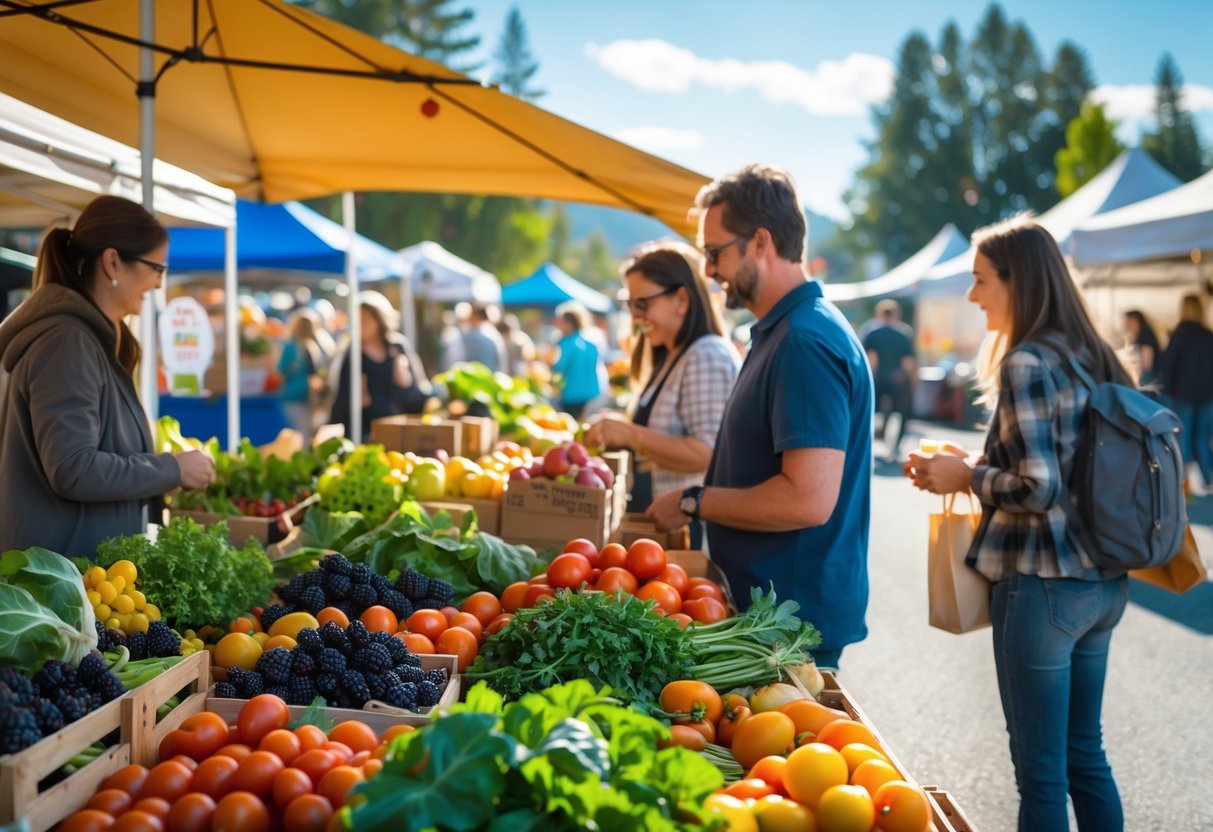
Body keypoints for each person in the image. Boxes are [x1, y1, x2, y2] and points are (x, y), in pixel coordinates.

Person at [905, 216, 1133, 832]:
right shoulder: (1095, 355)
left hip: (1043, 583)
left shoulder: (1027, 362)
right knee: (1086, 757)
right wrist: (973, 463)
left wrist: (965, 479)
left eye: (981, 281)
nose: (973, 296)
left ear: (1019, 281)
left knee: (1041, 778)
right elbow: (1066, 465)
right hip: (1104, 580)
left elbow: (1038, 486)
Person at [645, 164, 873, 670]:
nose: (708, 270)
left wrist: (694, 501)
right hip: (769, 617)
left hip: (788, 628)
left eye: (715, 252)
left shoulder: (805, 342)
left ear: (760, 242)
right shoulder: (784, 331)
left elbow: (808, 499)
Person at [0, 195, 214, 556]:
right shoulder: (67, 343)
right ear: (113, 262)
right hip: (66, 580)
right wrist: (171, 469)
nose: (160, 284)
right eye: (157, 268)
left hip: (87, 575)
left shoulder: (87, 339)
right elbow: (73, 467)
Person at [584, 241, 740, 548]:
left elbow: (706, 452)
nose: (636, 316)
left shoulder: (705, 355)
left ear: (681, 299)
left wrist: (631, 435)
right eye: (631, 305)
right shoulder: (671, 354)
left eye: (643, 303)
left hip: (688, 530)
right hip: (663, 528)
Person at [329, 290, 431, 439]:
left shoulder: (396, 346)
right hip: (363, 427)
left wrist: (404, 377)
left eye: (366, 319)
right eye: (358, 319)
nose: (362, 324)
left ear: (379, 320)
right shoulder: (353, 352)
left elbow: (416, 389)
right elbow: (341, 395)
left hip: (395, 423)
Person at [1157, 294, 1213, 494]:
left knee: (1184, 440)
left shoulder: (1180, 334)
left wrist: (1168, 390)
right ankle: (1208, 480)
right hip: (1208, 395)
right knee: (1203, 439)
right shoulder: (1208, 335)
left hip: (1184, 395)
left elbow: (1168, 365)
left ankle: (1184, 485)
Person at [862, 298, 917, 460]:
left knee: (872, 411)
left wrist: (869, 380)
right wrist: (913, 380)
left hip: (879, 379)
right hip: (897, 380)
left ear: (879, 314)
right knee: (901, 413)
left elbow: (871, 359)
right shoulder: (903, 335)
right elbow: (908, 363)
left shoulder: (872, 334)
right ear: (897, 315)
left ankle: (868, 443)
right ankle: (895, 447)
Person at [278, 308, 334, 446]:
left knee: (295, 436)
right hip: (306, 397)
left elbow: (281, 370)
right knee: (303, 435)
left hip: (294, 396)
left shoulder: (291, 346)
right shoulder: (316, 346)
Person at [549, 301, 604, 419]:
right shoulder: (591, 344)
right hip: (592, 393)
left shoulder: (566, 344)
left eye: (560, 321)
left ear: (569, 323)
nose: (556, 324)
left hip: (572, 395)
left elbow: (559, 367)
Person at [460, 302, 508, 371]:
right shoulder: (494, 333)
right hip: (491, 376)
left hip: (478, 377)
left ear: (475, 316)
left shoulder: (474, 334)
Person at [1122, 309, 1160, 387]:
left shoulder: (1146, 337)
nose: (1125, 324)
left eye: (1127, 320)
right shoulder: (1142, 335)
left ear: (1135, 321)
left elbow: (1146, 366)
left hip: (1148, 381)